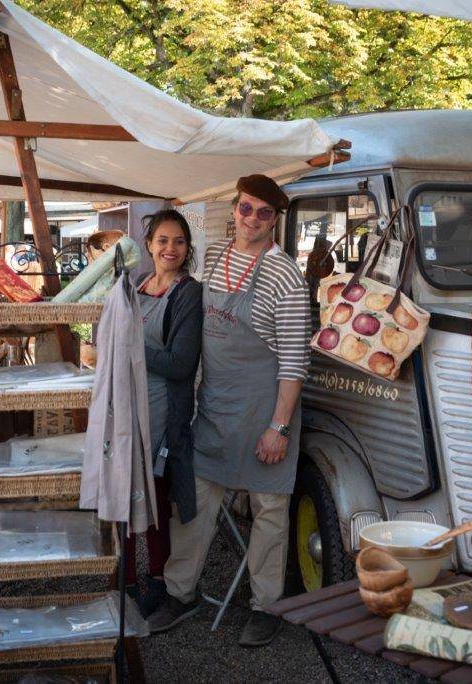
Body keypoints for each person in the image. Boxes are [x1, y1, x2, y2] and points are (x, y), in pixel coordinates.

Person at [149, 175, 311, 647]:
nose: (252, 219)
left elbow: (294, 363)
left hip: (265, 415)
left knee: (269, 514)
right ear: (235, 210)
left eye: (263, 212)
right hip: (216, 410)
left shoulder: (287, 276)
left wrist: (278, 428)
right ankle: (181, 594)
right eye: (246, 209)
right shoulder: (216, 257)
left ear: (275, 220)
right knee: (194, 506)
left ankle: (266, 606)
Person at [127, 209, 203, 616]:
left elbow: (180, 364)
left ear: (187, 248)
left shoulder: (188, 294)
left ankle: (158, 580)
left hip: (164, 414)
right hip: (131, 407)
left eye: (178, 241)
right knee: (127, 491)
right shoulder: (140, 285)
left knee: (157, 499)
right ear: (149, 245)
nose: (170, 248)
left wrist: (132, 348)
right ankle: (126, 577)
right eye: (163, 241)